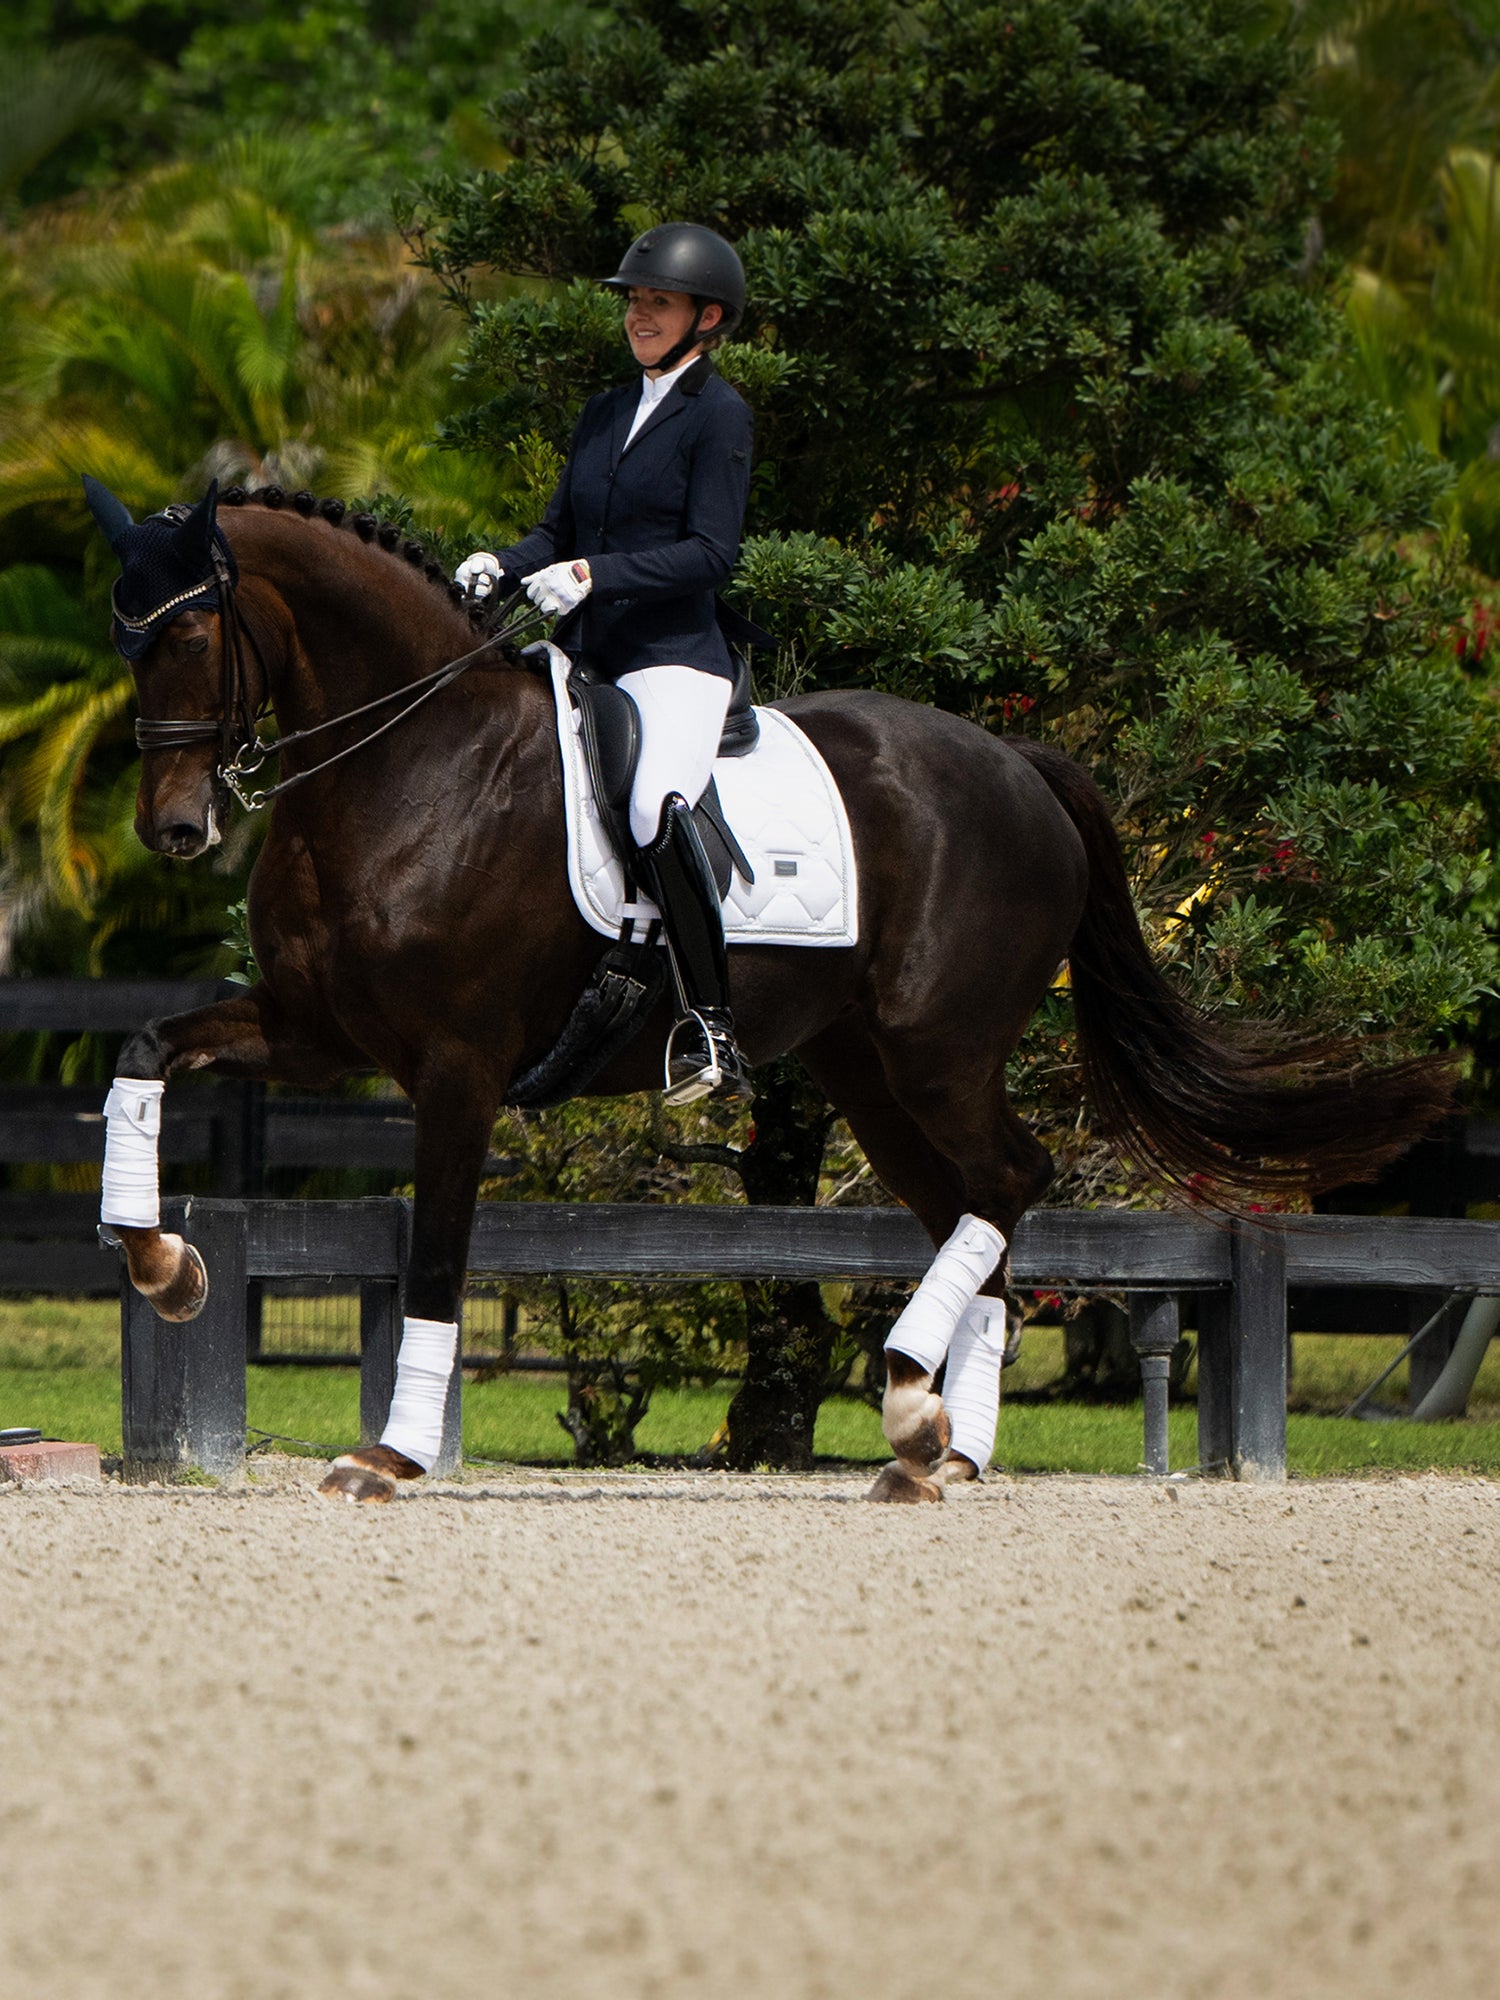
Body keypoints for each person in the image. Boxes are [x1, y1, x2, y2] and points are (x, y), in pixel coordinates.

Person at [455, 223, 758, 1105]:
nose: (639, 316)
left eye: (656, 303)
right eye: (633, 302)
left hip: (671, 660)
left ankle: (712, 1026)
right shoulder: (604, 410)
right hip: (587, 656)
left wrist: (595, 574)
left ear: (707, 317)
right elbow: (560, 529)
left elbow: (712, 553)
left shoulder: (720, 415)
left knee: (653, 805)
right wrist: (505, 561)